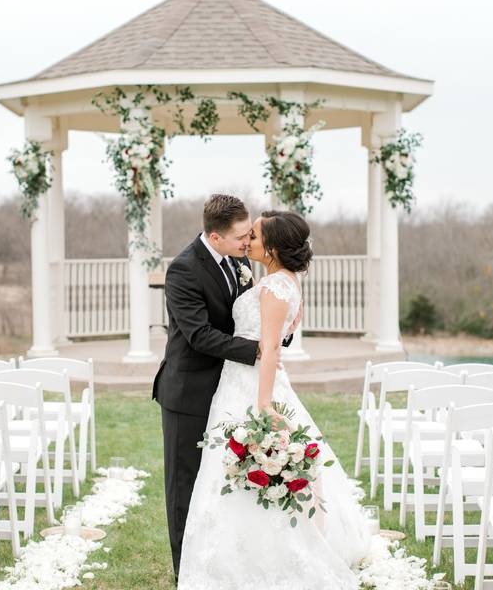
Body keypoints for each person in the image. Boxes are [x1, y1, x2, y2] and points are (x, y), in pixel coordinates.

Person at [177, 209, 370, 590]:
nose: (248, 240)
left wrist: (263, 404)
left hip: (251, 386)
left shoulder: (274, 287)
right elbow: (276, 339)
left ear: (274, 248)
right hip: (238, 379)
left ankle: (263, 557)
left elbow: (267, 350)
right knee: (231, 470)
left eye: (256, 235)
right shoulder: (282, 281)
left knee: (239, 467)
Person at [153, 194, 296, 582]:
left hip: (229, 389)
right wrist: (260, 350)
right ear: (214, 237)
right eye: (240, 238)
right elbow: (199, 335)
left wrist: (278, 336)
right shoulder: (183, 270)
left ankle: (222, 562)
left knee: (221, 481)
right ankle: (186, 571)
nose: (247, 243)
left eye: (250, 235)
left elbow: (249, 317)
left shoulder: (237, 261)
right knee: (185, 484)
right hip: (189, 391)